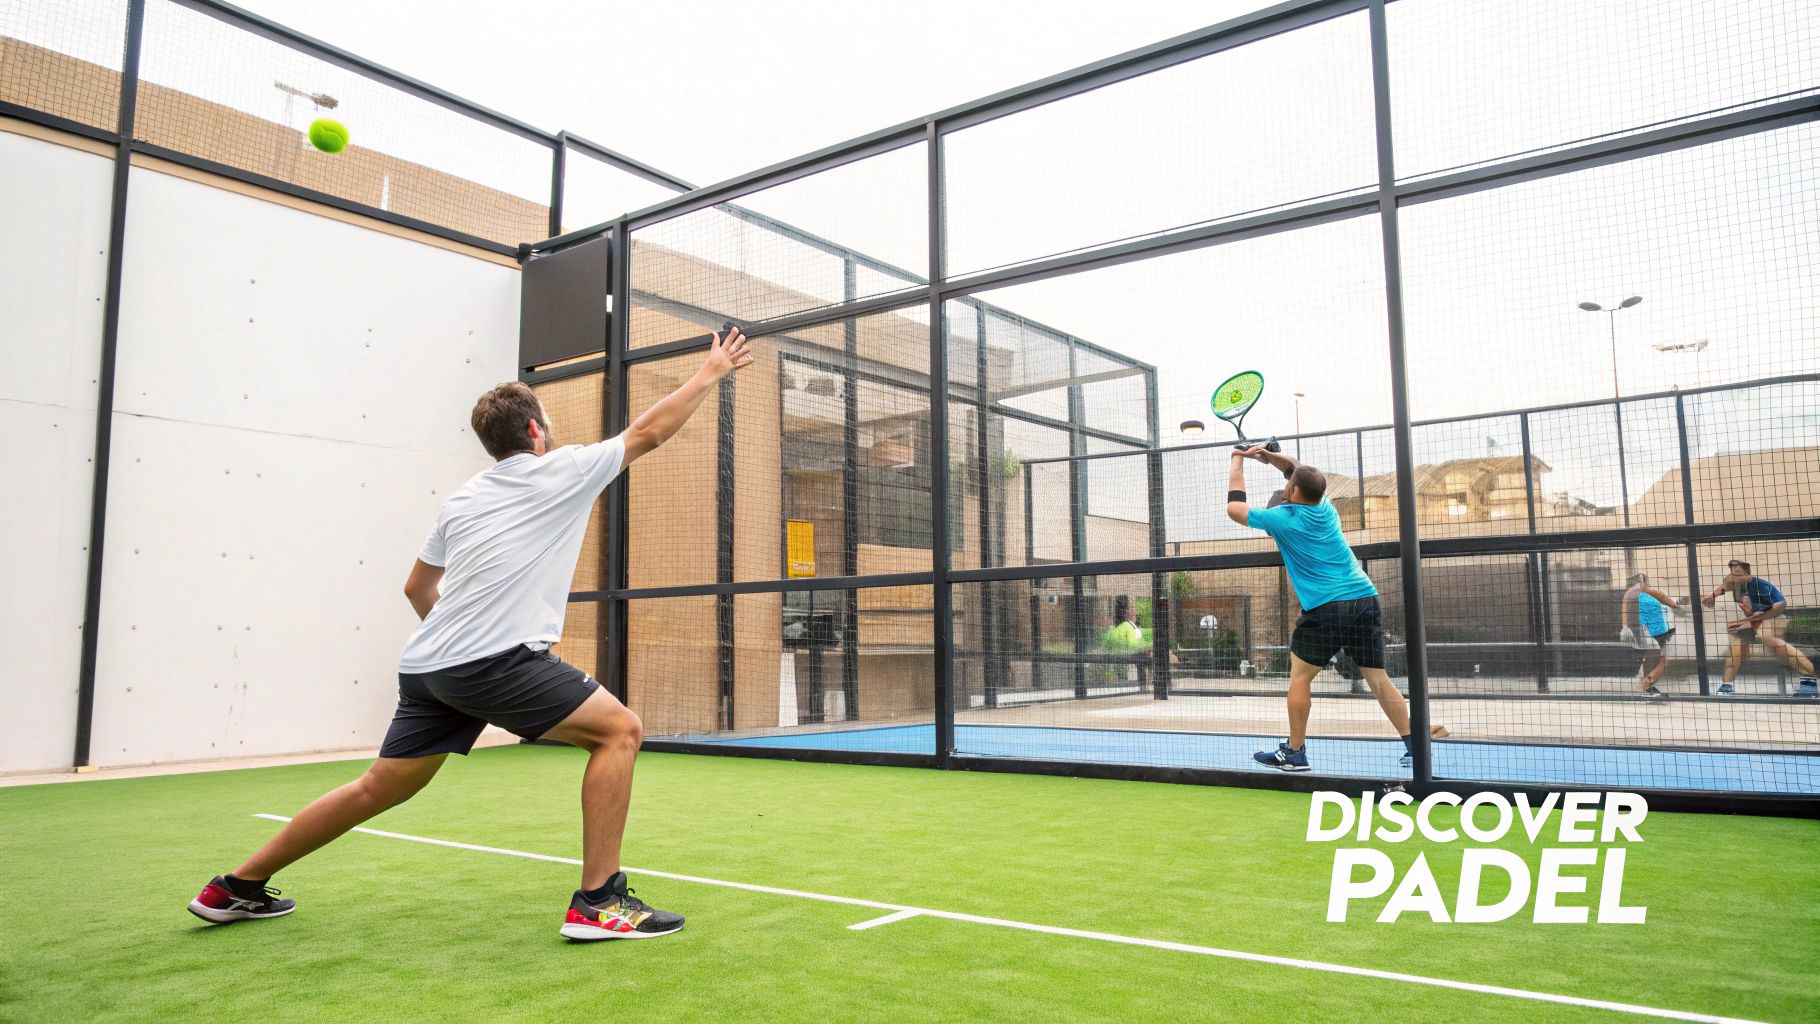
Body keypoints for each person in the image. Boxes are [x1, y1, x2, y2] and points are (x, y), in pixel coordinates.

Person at [187, 327, 755, 939]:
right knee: (620, 731)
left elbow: (417, 588)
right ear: (535, 430)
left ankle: (235, 887)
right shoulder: (562, 470)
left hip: (427, 668)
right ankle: (600, 903)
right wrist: (712, 370)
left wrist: (457, 651)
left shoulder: (461, 501)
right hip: (490, 664)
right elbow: (648, 432)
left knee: (378, 787)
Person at [1226, 445, 1414, 771]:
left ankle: (1294, 753)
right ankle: (1415, 748)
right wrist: (1268, 456)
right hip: (1364, 598)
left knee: (1300, 678)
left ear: (1293, 492)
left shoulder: (1282, 518)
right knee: (1378, 678)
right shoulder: (1326, 507)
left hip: (1326, 607)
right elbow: (1297, 469)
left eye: (1289, 484)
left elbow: (1234, 508)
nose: (1287, 485)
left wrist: (1238, 459)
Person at [1701, 559, 1817, 696]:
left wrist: (1751, 618)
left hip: (1772, 615)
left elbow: (1773, 607)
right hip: (1753, 618)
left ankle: (1810, 681)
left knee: (1771, 642)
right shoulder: (1736, 583)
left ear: (1747, 575)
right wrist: (1712, 596)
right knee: (1735, 648)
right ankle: (1727, 685)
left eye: (1737, 574)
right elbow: (1724, 587)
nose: (1733, 576)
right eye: (1732, 573)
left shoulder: (1760, 586)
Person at [1619, 572, 1680, 699]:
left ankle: (1647, 686)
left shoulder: (1630, 595)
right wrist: (1673, 603)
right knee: (1662, 661)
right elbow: (1663, 598)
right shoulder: (1643, 593)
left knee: (1652, 659)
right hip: (1651, 633)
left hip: (1647, 633)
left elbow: (1625, 611)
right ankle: (1646, 684)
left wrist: (1625, 627)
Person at [1099, 595, 1144, 682]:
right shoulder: (1132, 628)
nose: (1135, 614)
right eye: (1133, 611)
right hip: (1128, 672)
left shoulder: (1112, 629)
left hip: (1115, 671)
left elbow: (1103, 647)